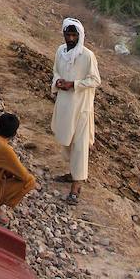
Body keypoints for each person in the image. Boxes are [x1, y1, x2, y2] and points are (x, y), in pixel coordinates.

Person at [51, 18, 101, 205]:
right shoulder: (60, 51)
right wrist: (58, 82)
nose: (70, 38)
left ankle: (76, 187)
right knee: (66, 141)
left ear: (79, 36)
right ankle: (72, 173)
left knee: (79, 147)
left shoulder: (87, 56)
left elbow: (95, 80)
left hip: (81, 108)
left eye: (74, 35)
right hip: (64, 104)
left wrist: (74, 84)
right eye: (67, 35)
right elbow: (56, 71)